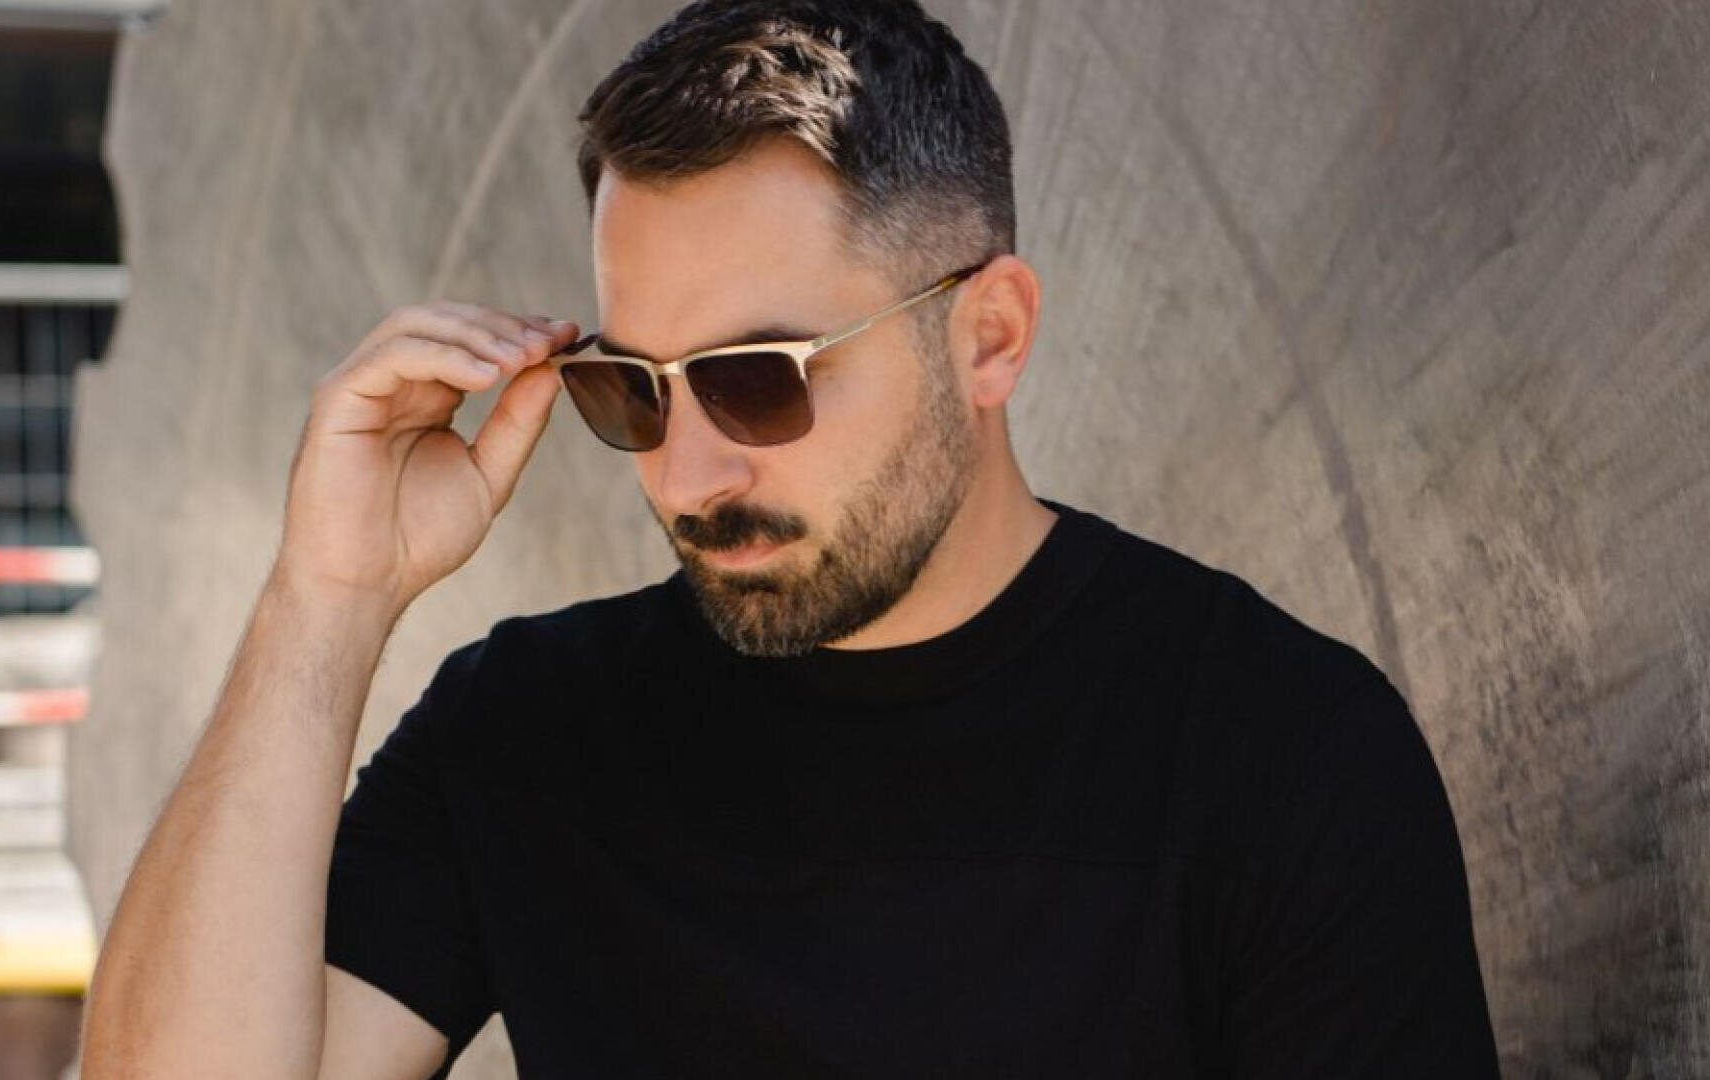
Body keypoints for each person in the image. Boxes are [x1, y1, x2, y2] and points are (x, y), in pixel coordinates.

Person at [79, 1, 1502, 1077]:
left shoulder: (1283, 759)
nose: (693, 470)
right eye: (629, 389)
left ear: (989, 336)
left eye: (762, 372)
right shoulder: (528, 737)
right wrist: (326, 597)